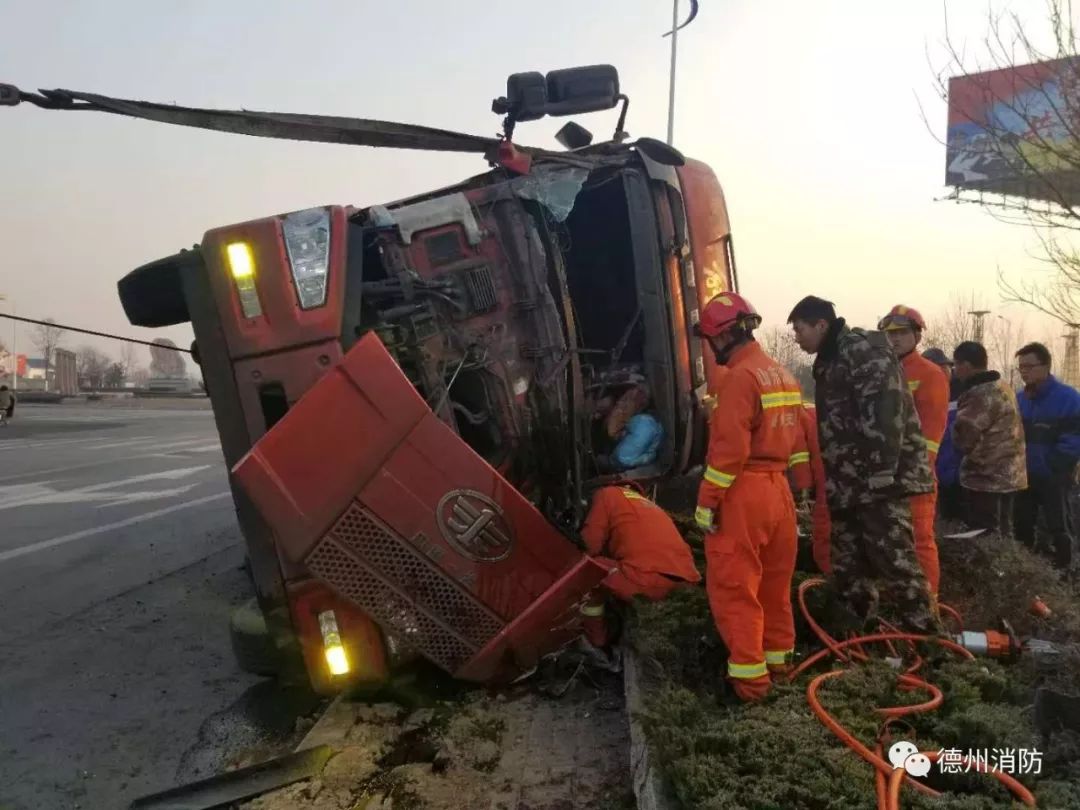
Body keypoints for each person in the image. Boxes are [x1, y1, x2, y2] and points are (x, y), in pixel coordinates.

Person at [787, 296, 939, 634]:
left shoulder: (862, 350)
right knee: (848, 568)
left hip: (879, 482)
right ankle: (857, 640)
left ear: (821, 325)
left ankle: (931, 644)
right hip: (850, 484)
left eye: (799, 330)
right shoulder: (829, 360)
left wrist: (883, 470)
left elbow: (885, 409)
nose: (796, 338)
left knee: (896, 563)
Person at [693, 292, 804, 702]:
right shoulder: (781, 373)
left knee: (736, 591)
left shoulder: (738, 379)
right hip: (778, 492)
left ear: (720, 337)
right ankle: (781, 670)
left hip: (744, 494)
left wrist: (707, 502)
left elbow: (729, 454)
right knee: (775, 589)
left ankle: (752, 690)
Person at [877, 306, 949, 597]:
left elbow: (931, 436)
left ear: (917, 335)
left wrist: (912, 473)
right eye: (889, 333)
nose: (894, 339)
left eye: (901, 333)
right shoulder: (884, 370)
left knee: (919, 542)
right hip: (885, 476)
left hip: (913, 477)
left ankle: (928, 605)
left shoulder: (929, 374)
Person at [577, 484, 701, 645]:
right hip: (686, 583)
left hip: (646, 580)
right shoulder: (648, 506)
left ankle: (597, 639)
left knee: (591, 569)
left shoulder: (607, 494)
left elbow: (588, 546)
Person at [1013, 342, 1080, 572]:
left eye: (1029, 366)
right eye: (1020, 367)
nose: (1024, 371)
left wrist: (1056, 464)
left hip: (1055, 476)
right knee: (1022, 526)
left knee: (1059, 528)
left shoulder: (1068, 398)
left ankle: (1065, 574)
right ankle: (1027, 573)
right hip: (1024, 476)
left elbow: (1074, 438)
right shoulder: (1020, 400)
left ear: (1045, 366)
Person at [950, 341, 1027, 538]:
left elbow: (964, 437)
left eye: (956, 364)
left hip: (986, 476)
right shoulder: (1002, 386)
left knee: (984, 534)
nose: (954, 370)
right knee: (1004, 530)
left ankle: (992, 569)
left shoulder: (979, 394)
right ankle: (1010, 568)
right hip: (1010, 473)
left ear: (966, 365)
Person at [922, 348, 964, 519]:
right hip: (930, 467)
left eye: (945, 367)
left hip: (957, 469)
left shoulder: (962, 393)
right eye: (938, 368)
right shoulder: (921, 392)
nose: (943, 372)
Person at [791, 400, 831, 574]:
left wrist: (802, 492)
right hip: (845, 469)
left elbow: (799, 458)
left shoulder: (794, 417)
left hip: (826, 474)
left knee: (824, 529)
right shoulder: (811, 409)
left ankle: (828, 578)